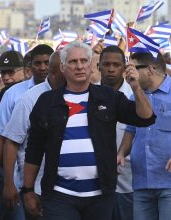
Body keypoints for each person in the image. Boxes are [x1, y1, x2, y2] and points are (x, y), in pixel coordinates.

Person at [22, 41, 155, 220]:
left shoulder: (108, 97)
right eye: (73, 62)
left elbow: (146, 118)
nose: (79, 66)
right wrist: (28, 190)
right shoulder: (47, 101)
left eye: (84, 61)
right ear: (63, 67)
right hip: (59, 196)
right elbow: (34, 150)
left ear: (92, 65)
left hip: (100, 196)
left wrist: (136, 87)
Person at [117, 52, 171, 220]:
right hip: (141, 182)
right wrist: (121, 153)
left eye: (133, 68)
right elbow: (131, 129)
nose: (129, 73)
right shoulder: (135, 96)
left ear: (150, 69)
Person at [1, 51, 65, 220]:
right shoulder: (29, 99)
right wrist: (9, 184)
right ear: (54, 71)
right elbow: (11, 142)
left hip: (73, 189)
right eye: (65, 68)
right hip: (37, 189)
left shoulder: (81, 95)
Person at [98, 45, 134, 220]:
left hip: (127, 185)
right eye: (106, 64)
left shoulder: (135, 97)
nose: (111, 69)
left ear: (124, 67)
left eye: (116, 64)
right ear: (98, 66)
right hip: (94, 186)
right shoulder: (87, 96)